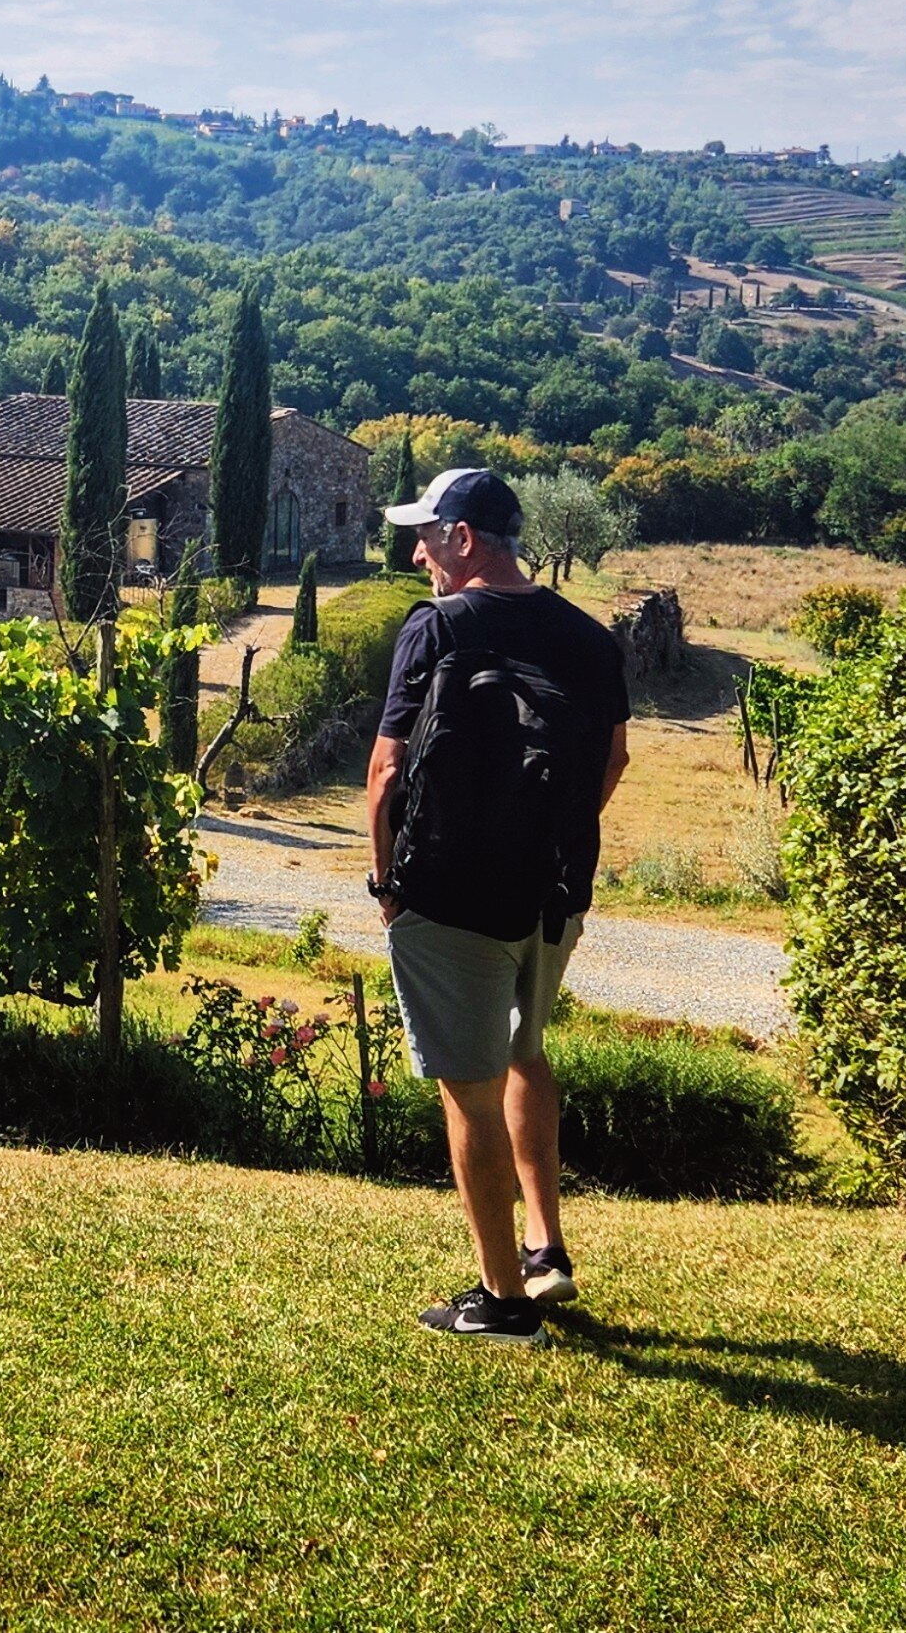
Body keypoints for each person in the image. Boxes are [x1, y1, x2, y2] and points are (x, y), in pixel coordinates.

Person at [364, 467, 630, 1345]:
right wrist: (542, 838)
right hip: (553, 893)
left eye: (426, 535)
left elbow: (386, 774)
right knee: (525, 1052)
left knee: (466, 1095)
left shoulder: (436, 628)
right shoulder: (592, 639)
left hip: (447, 891)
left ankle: (501, 1301)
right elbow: (613, 763)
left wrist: (387, 886)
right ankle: (545, 1250)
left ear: (465, 539)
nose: (415, 552)